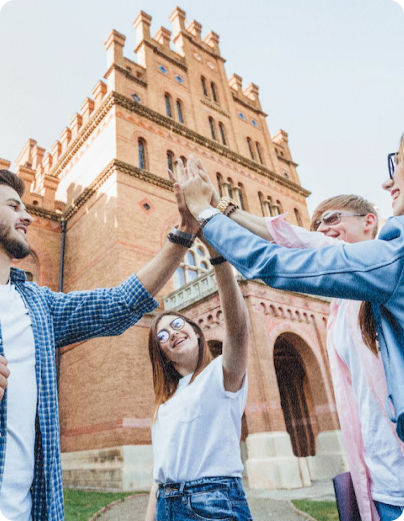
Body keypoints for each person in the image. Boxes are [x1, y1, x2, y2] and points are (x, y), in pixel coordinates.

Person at [179, 141, 404, 521]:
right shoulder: (352, 290)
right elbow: (294, 240)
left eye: (398, 165)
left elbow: (274, 262)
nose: (388, 180)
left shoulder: (388, 259)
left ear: (369, 222)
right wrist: (222, 207)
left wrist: (204, 213)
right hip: (381, 486)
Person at [0, 168, 200, 521]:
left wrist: (185, 232)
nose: (27, 215)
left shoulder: (36, 305)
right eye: (14, 207)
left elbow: (119, 303)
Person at [144, 158, 251, 521]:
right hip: (167, 505)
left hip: (213, 502)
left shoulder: (222, 376)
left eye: (177, 325)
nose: (171, 333)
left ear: (196, 331)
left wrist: (216, 251)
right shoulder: (163, 405)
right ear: (162, 355)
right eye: (162, 335)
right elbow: (158, 475)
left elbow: (237, 330)